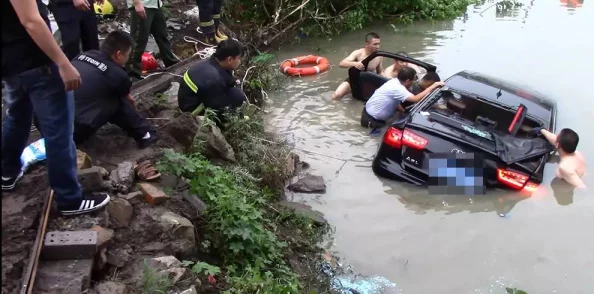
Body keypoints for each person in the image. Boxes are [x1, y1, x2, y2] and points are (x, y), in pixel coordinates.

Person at [2, 0, 110, 215]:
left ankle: (6, 173)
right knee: (59, 131)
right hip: (37, 62)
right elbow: (31, 21)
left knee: (18, 117)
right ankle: (70, 198)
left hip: (10, 62)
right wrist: (63, 63)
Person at [70, 30, 159, 148]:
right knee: (116, 101)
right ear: (118, 54)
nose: (128, 59)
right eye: (128, 55)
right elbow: (128, 101)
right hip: (74, 131)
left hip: (48, 121)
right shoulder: (117, 74)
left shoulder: (83, 55)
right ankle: (145, 135)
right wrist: (136, 114)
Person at [177, 39, 246, 122]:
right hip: (192, 109)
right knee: (237, 98)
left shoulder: (214, 62)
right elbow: (218, 108)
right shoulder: (214, 79)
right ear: (229, 59)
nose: (240, 61)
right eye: (239, 58)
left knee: (236, 95)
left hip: (197, 95)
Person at [361, 67, 444, 129]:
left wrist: (403, 111)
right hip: (371, 121)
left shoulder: (394, 82)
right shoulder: (398, 88)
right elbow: (416, 99)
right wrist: (434, 86)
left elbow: (395, 102)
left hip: (369, 114)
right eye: (413, 80)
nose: (414, 83)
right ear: (407, 81)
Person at [126, 0, 180, 80]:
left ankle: (171, 62)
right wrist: (137, 3)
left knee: (162, 35)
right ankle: (133, 74)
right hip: (143, 5)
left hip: (155, 4)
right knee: (138, 40)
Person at [332, 32, 383, 100]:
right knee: (336, 96)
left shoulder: (379, 56)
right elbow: (342, 63)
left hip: (370, 81)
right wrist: (355, 64)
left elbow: (380, 72)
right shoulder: (358, 53)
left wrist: (389, 81)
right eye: (375, 44)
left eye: (378, 44)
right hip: (355, 79)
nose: (378, 47)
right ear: (367, 45)